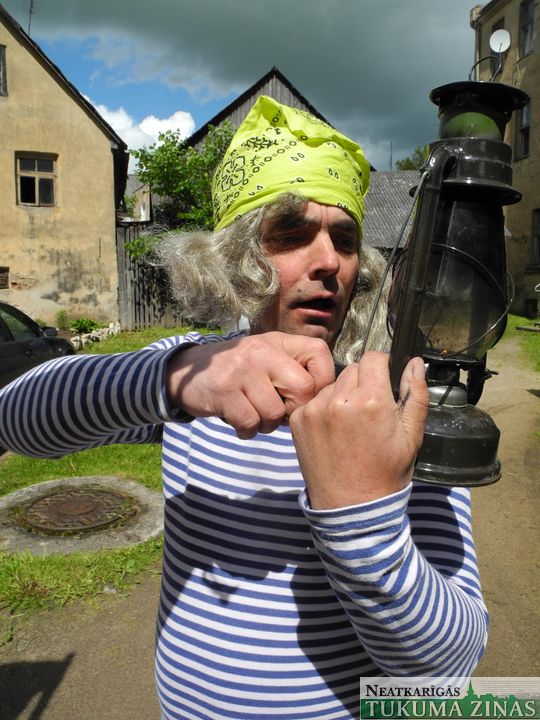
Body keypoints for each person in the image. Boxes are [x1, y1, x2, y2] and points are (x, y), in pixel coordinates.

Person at [0, 96, 488, 720]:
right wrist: (179, 378)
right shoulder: (193, 373)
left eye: (345, 241)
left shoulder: (397, 406)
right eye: (290, 234)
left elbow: (449, 671)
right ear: (234, 259)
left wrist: (364, 520)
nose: (328, 262)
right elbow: (15, 419)